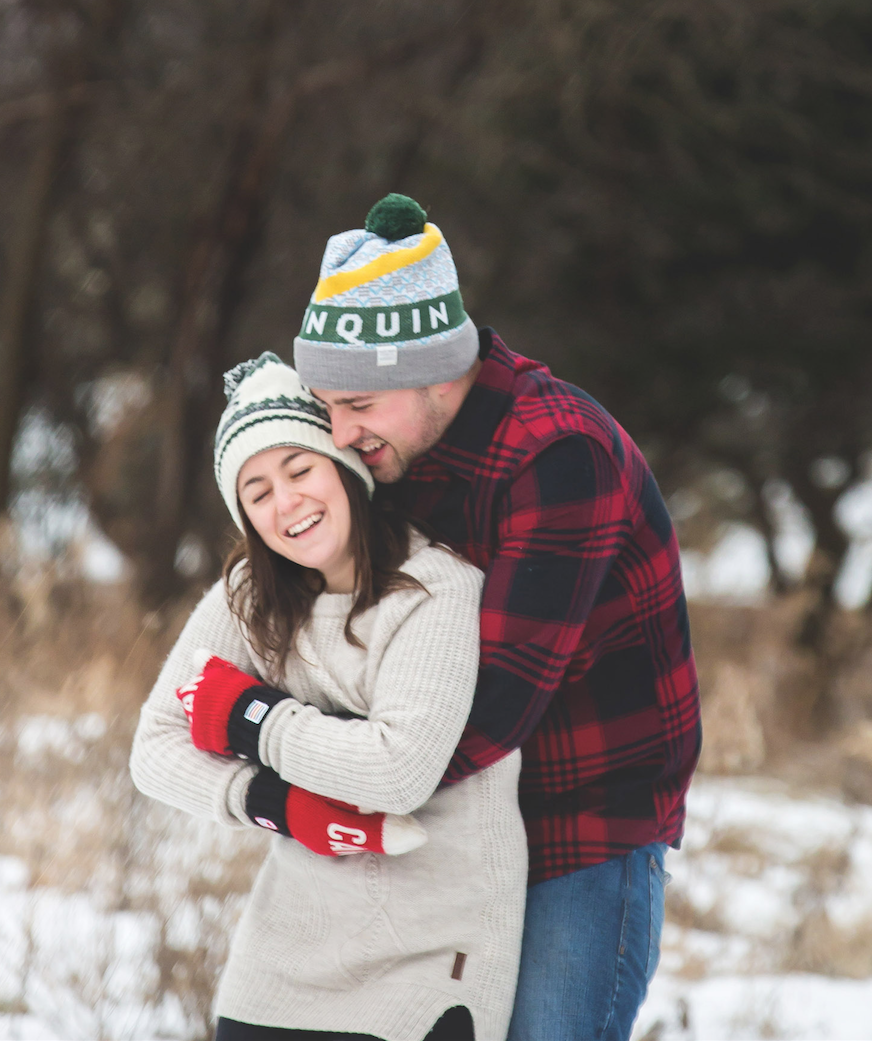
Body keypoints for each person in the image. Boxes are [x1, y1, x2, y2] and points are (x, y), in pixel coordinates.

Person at [292, 195, 703, 1041]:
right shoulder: (398, 445)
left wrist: (282, 758)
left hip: (578, 827)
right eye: (327, 405)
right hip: (446, 819)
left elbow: (487, 706)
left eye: (359, 405)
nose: (340, 433)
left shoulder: (560, 457)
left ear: (439, 371)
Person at [130, 351, 528, 1041]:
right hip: (288, 950)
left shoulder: (433, 588)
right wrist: (272, 802)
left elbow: (397, 771)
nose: (287, 504)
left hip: (432, 945)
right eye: (256, 493)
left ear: (342, 469)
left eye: (300, 470)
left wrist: (251, 720)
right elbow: (155, 748)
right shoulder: (249, 597)